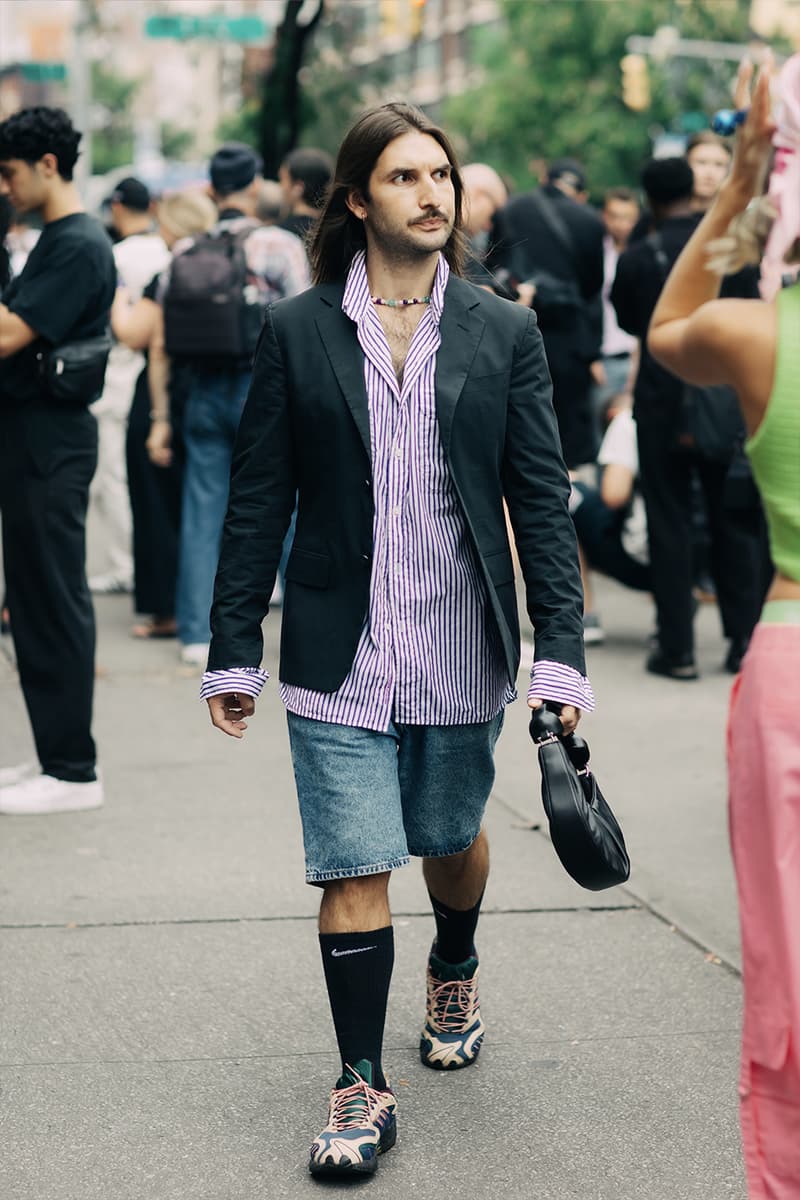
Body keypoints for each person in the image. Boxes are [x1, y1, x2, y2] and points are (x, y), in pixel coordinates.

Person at [200, 100, 594, 1178]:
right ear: (357, 198)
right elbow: (256, 497)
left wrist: (556, 652)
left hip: (462, 644)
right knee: (352, 863)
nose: (432, 194)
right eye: (406, 177)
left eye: (442, 176)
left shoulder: (501, 330)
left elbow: (538, 504)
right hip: (339, 646)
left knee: (447, 834)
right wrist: (233, 642)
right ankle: (359, 1085)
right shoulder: (296, 331)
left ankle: (454, 958)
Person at [647, 55, 800, 1199]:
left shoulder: (758, 337)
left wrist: (737, 175)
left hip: (791, 662)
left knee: (788, 962)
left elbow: (667, 326)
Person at [0, 107, 115, 814]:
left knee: (52, 600)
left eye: (9, 173)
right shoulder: (60, 238)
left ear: (48, 164)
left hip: (52, 442)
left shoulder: (76, 242)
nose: (5, 187)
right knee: (37, 597)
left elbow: (9, 332)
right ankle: (56, 760)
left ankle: (72, 770)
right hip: (37, 440)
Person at [158, 142, 310, 665]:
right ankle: (304, 624)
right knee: (287, 503)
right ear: (254, 185)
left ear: (211, 190)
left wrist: (161, 415)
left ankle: (197, 635)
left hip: (202, 390)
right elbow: (307, 323)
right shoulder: (277, 245)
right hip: (263, 391)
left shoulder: (183, 251)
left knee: (203, 508)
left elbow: (163, 332)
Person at [611, 156, 763, 679]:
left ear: (649, 199)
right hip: (722, 398)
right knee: (730, 521)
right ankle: (743, 640)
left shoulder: (639, 255)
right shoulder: (727, 248)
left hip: (660, 402)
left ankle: (677, 649)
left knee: (669, 522)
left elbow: (628, 318)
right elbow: (750, 304)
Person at [110, 189, 218, 640]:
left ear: (170, 226)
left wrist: (121, 300)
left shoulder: (169, 273)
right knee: (199, 507)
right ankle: (202, 605)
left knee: (155, 505)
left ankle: (165, 611)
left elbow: (137, 336)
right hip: (212, 392)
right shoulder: (226, 264)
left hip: (164, 399)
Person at [487, 157, 605, 469]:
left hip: (513, 333)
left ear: (545, 181)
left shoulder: (511, 209)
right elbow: (593, 287)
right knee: (567, 435)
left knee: (521, 424)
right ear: (581, 193)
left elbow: (491, 269)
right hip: (569, 340)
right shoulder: (591, 221)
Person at [88, 176, 170, 596]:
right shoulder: (164, 251)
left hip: (117, 376)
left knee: (114, 480)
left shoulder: (113, 256)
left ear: (118, 209)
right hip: (155, 381)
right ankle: (145, 565)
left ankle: (127, 565)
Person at [571, 400, 652, 642]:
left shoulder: (626, 420)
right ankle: (671, 613)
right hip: (702, 558)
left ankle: (585, 616)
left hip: (640, 556)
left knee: (565, 499)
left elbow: (614, 494)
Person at [278, 146, 333, 244]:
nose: (280, 187)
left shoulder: (281, 235)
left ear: (298, 187)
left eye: (283, 179)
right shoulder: (337, 232)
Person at [685, 130, 733, 212]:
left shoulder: (738, 218)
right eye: (701, 162)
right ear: (686, 163)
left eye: (719, 164)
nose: (709, 173)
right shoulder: (666, 213)